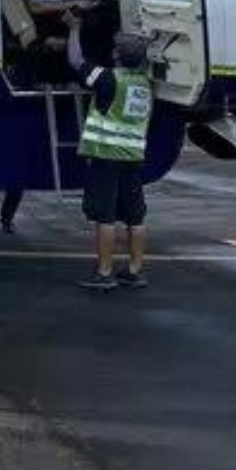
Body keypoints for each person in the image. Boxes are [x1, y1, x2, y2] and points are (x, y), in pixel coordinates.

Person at [76, 33, 154, 291]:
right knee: (135, 217)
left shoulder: (109, 79)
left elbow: (76, 60)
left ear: (116, 55)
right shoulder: (146, 84)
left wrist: (74, 29)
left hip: (106, 156)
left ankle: (105, 272)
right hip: (133, 158)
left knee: (105, 216)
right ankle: (133, 271)